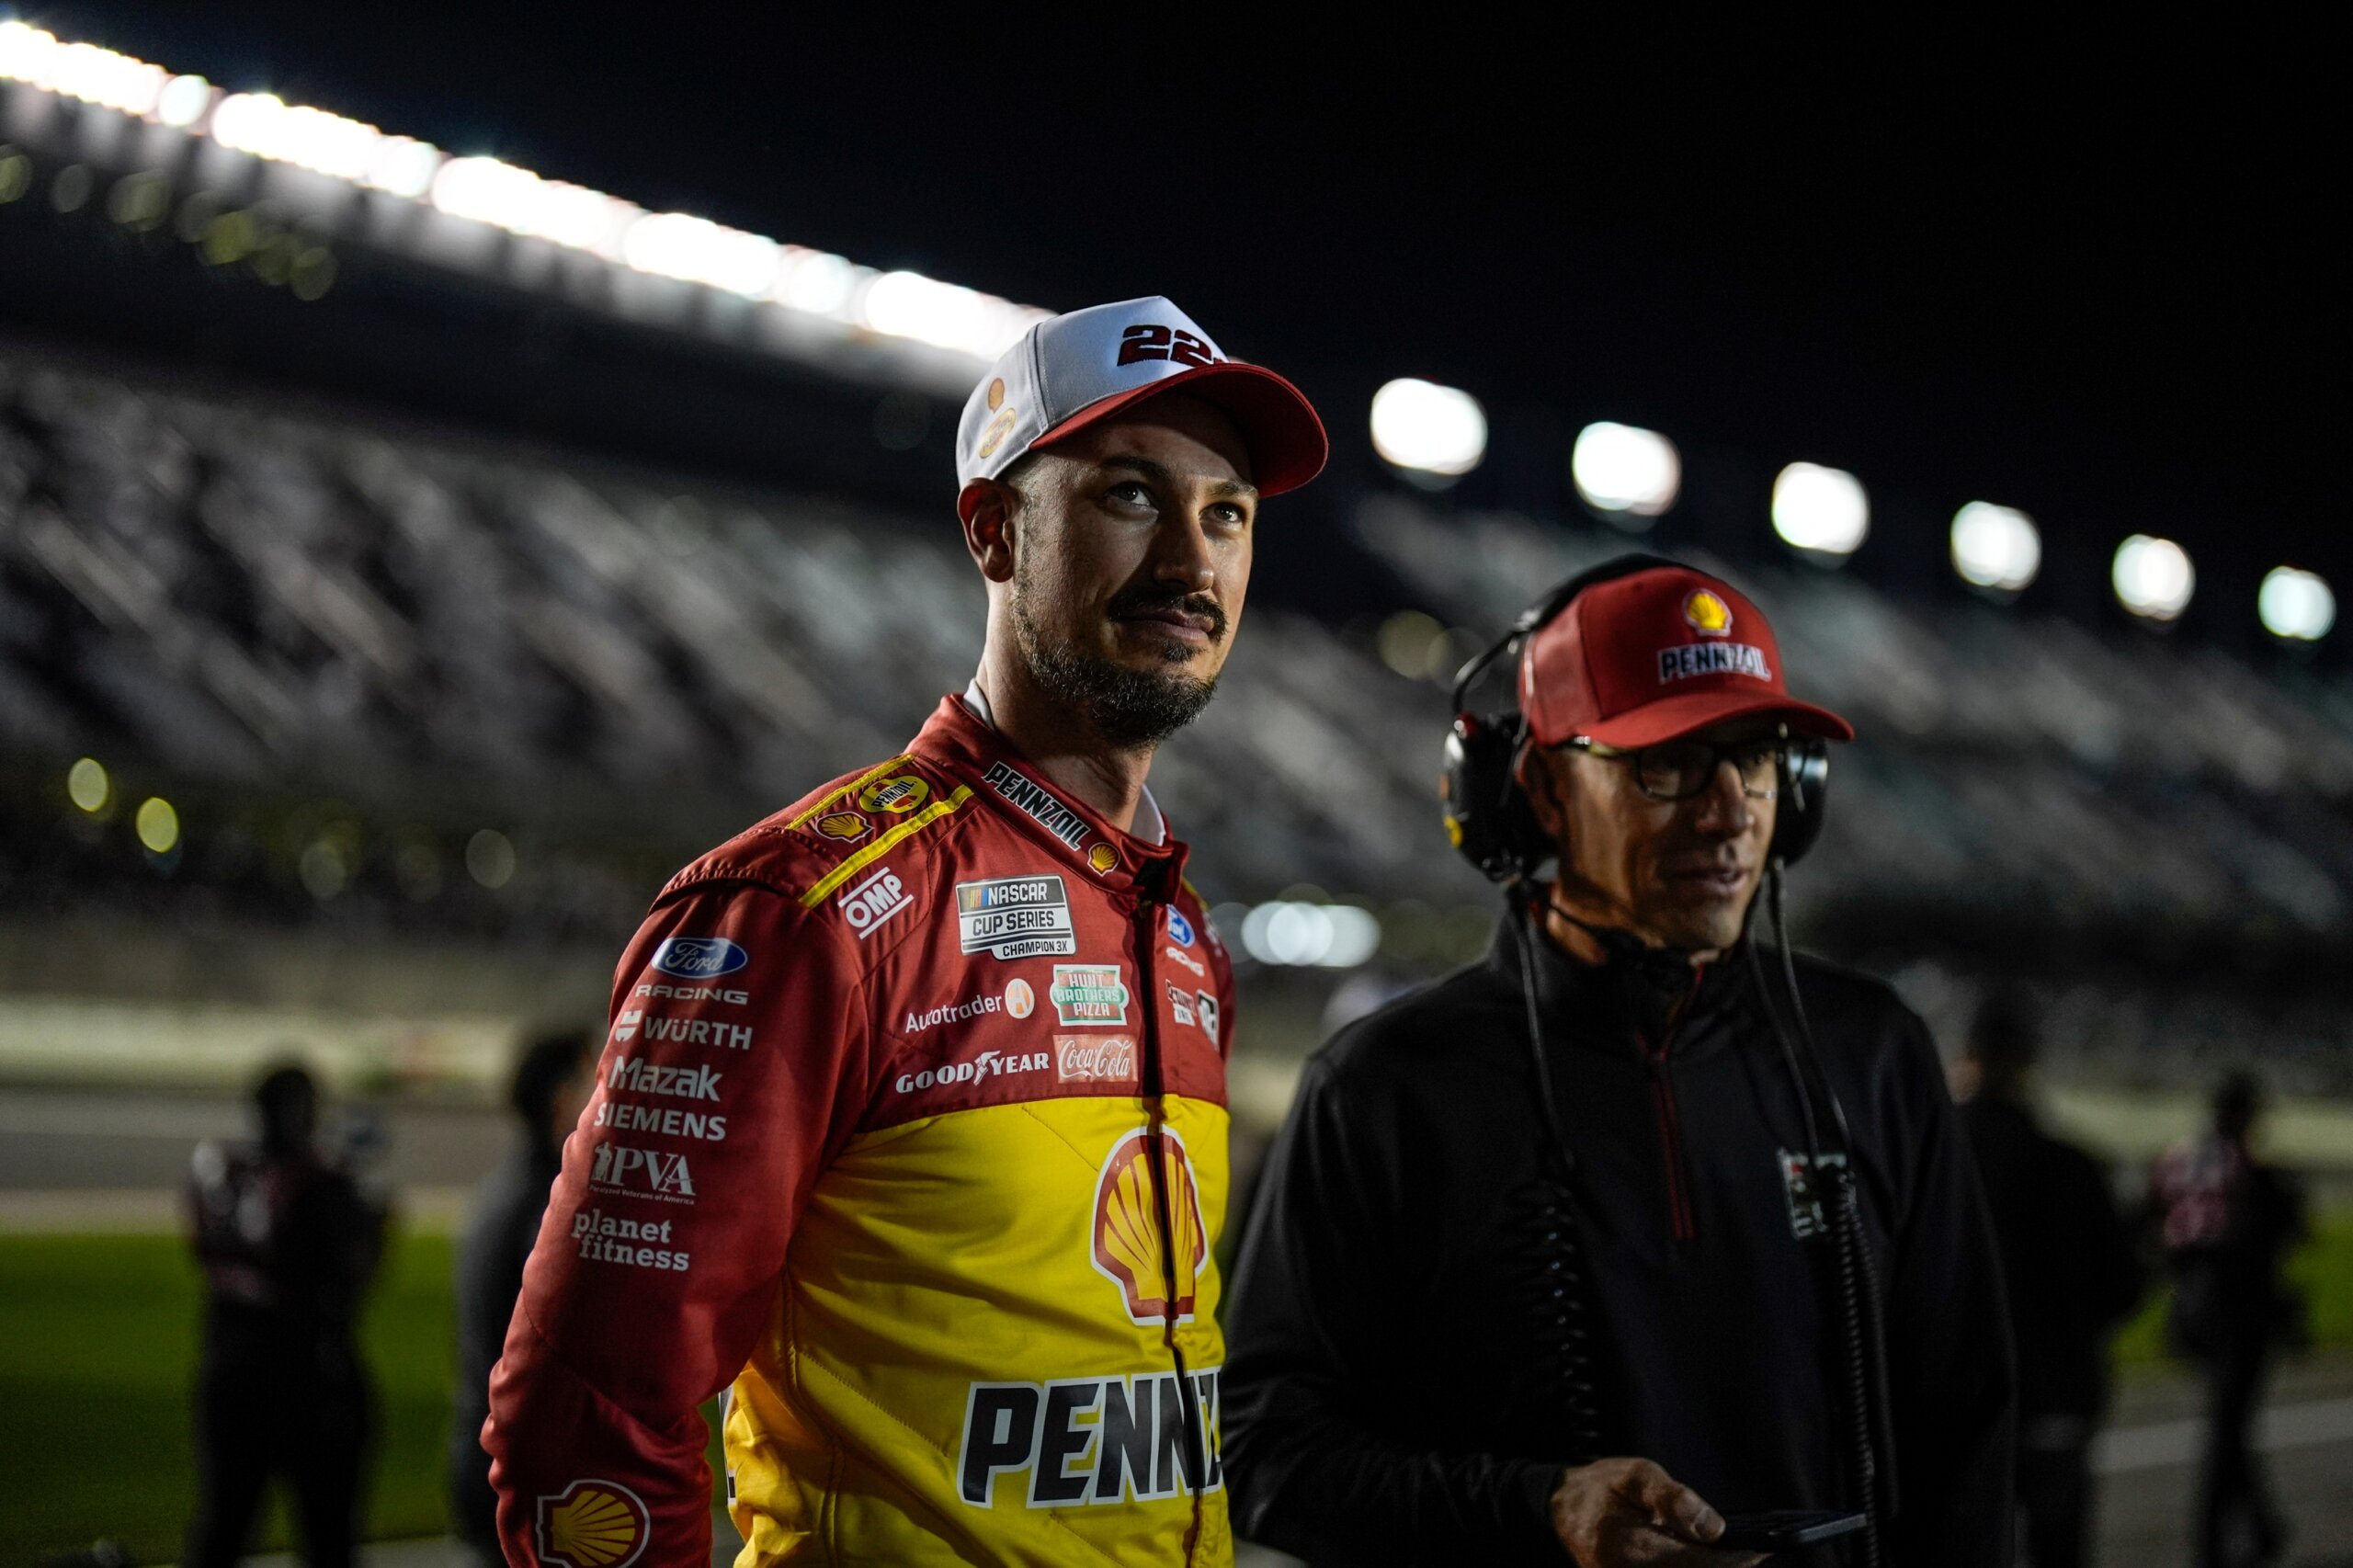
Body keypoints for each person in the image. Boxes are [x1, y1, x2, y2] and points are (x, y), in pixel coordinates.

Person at [484, 297, 1326, 1567]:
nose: (1192, 568)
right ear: (994, 530)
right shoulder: (800, 910)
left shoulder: (1183, 931)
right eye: (1131, 496)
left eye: (1228, 514)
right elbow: (587, 1414)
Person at [1222, 559, 2015, 1566]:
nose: (1729, 809)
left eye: (1758, 757)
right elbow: (1260, 1450)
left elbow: (1965, 1432)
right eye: (1671, 760)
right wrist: (1532, 1505)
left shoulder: (1873, 1052)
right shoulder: (1384, 1087)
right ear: (1540, 791)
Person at [1953, 988, 2143, 1568]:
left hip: (1951, 1410)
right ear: (2030, 1063)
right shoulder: (2072, 1168)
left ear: (1970, 1059)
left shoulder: (1931, 1159)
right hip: (2054, 1402)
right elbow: (2122, 1289)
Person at [183, 1061, 387, 1568]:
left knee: (225, 1524)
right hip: (308, 1376)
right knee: (327, 1535)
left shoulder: (218, 1171)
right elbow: (350, 1271)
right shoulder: (319, 1183)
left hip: (228, 1367)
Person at [2149, 1070, 2307, 1568]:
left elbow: (2150, 1222)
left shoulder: (2177, 1158)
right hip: (2239, 1307)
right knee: (2228, 1428)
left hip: (2191, 1305)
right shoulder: (2250, 1168)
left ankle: (2260, 1525)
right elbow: (2281, 1228)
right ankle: (2216, 1543)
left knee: (2230, 1424)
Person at [450, 1029, 596, 1564]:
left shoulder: (500, 1193)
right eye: (598, 1079)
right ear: (562, 1100)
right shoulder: (552, 1208)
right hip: (526, 1474)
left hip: (485, 1454)